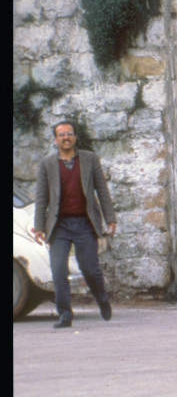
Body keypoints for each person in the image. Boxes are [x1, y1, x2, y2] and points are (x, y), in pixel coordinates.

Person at [33, 121, 117, 329]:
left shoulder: (89, 159)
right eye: (61, 135)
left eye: (69, 134)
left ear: (75, 137)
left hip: (84, 222)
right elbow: (42, 197)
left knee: (90, 268)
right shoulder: (47, 164)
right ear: (55, 140)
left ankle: (102, 298)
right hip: (59, 225)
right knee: (58, 269)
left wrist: (110, 218)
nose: (66, 137)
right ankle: (65, 314)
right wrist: (39, 226)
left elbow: (102, 190)